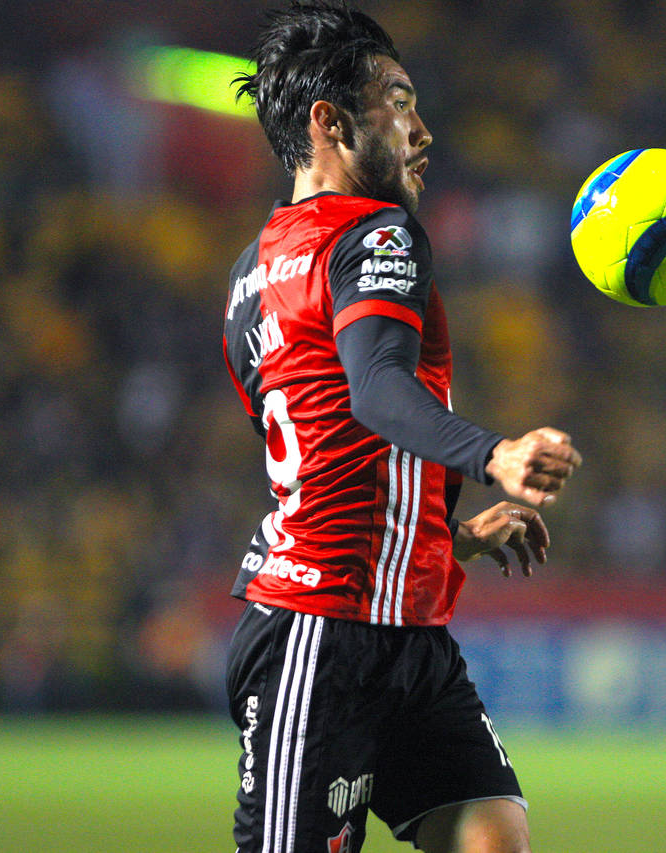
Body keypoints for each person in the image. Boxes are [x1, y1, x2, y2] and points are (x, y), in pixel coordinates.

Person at [222, 3, 582, 851]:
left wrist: (448, 538)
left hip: (398, 630)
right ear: (330, 122)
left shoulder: (250, 274)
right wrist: (496, 453)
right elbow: (376, 392)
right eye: (399, 102)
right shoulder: (376, 232)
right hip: (321, 636)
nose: (422, 131)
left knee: (491, 833)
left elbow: (330, 465)